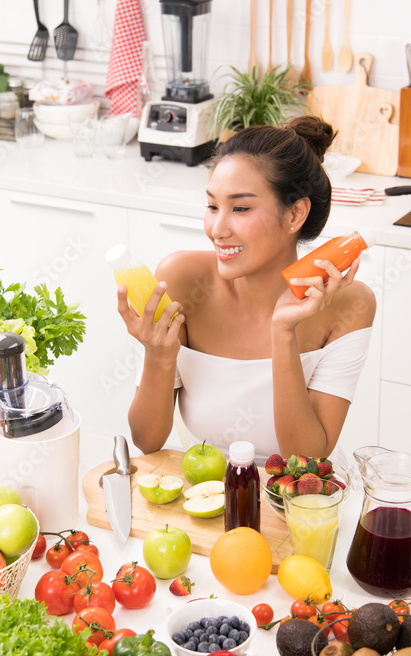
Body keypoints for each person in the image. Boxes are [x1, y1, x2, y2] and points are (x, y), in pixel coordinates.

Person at [116, 116, 376, 461]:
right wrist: (159, 356)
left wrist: (283, 331)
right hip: (207, 490)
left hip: (298, 504)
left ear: (295, 213)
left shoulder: (348, 305)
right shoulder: (181, 279)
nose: (217, 229)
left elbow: (306, 461)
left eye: (240, 208)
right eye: (212, 206)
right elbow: (147, 441)